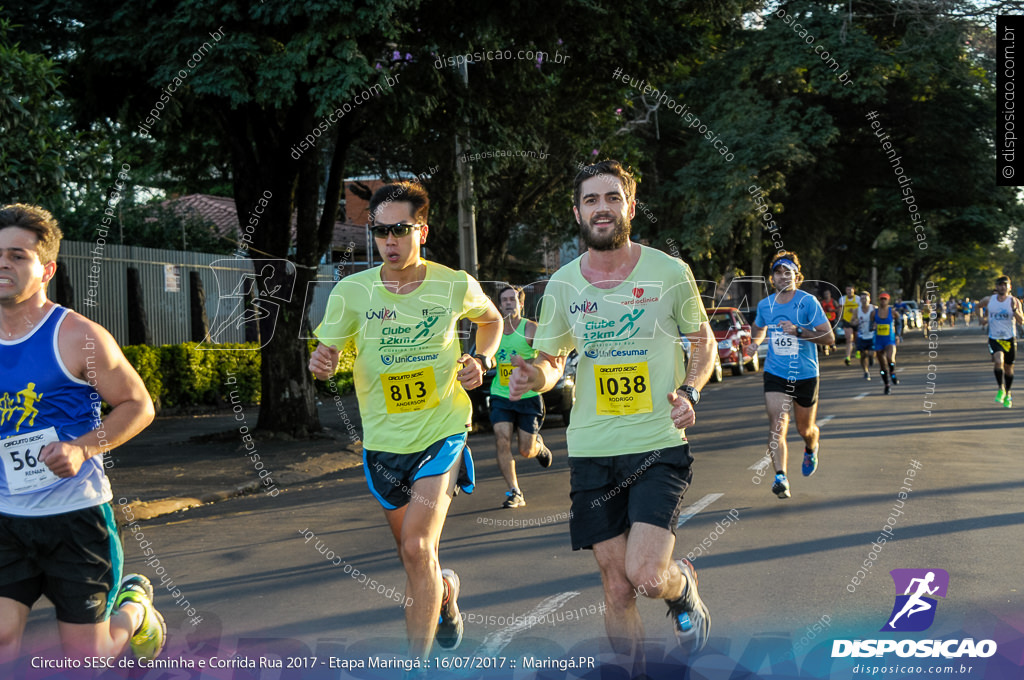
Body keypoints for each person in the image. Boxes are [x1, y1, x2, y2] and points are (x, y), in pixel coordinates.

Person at [508, 160, 715, 669]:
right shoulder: (560, 285)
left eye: (612, 198)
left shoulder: (669, 273)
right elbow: (553, 361)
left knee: (646, 577)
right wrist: (535, 377)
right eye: (591, 200)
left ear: (630, 206)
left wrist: (690, 389)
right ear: (578, 211)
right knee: (617, 585)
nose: (602, 208)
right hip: (593, 448)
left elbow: (702, 340)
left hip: (657, 441)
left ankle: (681, 581)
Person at [309, 182, 502, 660]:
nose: (389, 241)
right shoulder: (352, 292)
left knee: (417, 548)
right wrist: (323, 364)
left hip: (442, 431)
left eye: (399, 229)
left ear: (423, 230)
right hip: (382, 442)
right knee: (415, 557)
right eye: (379, 231)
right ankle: (446, 593)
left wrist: (484, 358)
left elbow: (492, 319)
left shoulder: (452, 283)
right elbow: (328, 351)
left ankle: (416, 667)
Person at [0, 205, 163, 667]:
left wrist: (80, 447)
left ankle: (135, 610)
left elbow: (138, 405)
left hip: (76, 517)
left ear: (46, 269)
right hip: (6, 518)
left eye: (17, 256)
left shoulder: (76, 336)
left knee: (84, 661)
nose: (2, 264)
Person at [744, 252, 835, 499]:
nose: (783, 276)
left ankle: (811, 446)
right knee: (778, 422)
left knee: (805, 429)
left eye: (788, 272)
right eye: (778, 272)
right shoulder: (765, 305)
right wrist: (754, 344)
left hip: (805, 373)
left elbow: (828, 337)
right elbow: (760, 328)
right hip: (776, 371)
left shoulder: (808, 302)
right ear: (772, 278)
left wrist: (798, 331)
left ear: (797, 276)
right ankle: (781, 477)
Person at [489, 285, 554, 509]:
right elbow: (488, 356)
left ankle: (538, 446)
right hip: (501, 394)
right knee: (502, 439)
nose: (508, 303)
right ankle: (514, 491)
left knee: (525, 450)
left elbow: (546, 357)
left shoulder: (531, 329)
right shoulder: (493, 330)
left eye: (513, 299)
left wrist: (532, 370)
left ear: (521, 304)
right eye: (504, 300)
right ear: (499, 305)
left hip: (528, 397)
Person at [978, 276, 1024, 408]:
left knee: (1009, 369)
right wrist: (981, 318)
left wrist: (1014, 310)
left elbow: (1021, 321)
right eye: (1000, 285)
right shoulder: (989, 300)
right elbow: (978, 306)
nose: (1002, 287)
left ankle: (1008, 394)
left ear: (1009, 287)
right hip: (994, 337)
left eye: (1005, 285)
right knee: (999, 361)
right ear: (996, 287)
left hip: (1009, 338)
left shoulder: (1014, 301)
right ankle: (1001, 389)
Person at [872, 293, 902, 395]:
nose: (883, 301)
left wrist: (898, 334)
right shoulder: (874, 313)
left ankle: (892, 373)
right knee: (882, 367)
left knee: (890, 358)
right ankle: (887, 385)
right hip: (879, 340)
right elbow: (870, 324)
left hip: (890, 340)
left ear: (888, 300)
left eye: (885, 299)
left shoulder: (893, 312)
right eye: (881, 299)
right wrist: (872, 326)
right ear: (879, 300)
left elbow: (899, 323)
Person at [854, 291, 876, 380]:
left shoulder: (874, 309)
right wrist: (854, 322)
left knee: (871, 353)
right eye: (862, 299)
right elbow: (852, 320)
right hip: (862, 335)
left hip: (872, 335)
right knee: (863, 355)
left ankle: (871, 358)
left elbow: (879, 319)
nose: (864, 300)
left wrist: (875, 324)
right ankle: (866, 371)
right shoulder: (857, 310)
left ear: (869, 299)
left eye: (865, 298)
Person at [838, 286, 859, 366]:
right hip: (847, 321)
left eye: (851, 289)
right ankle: (847, 357)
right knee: (849, 339)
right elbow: (840, 309)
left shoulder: (858, 299)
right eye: (847, 289)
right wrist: (839, 318)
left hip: (856, 321)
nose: (849, 291)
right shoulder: (842, 299)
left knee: (856, 338)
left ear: (854, 290)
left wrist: (855, 312)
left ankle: (858, 350)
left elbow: (860, 309)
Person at [819, 289, 838, 356]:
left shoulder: (833, 301)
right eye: (825, 294)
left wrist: (832, 310)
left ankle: (832, 344)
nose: (826, 295)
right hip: (825, 320)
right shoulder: (822, 302)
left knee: (832, 332)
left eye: (828, 294)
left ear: (830, 294)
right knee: (824, 333)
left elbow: (838, 309)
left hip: (832, 319)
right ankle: (825, 348)